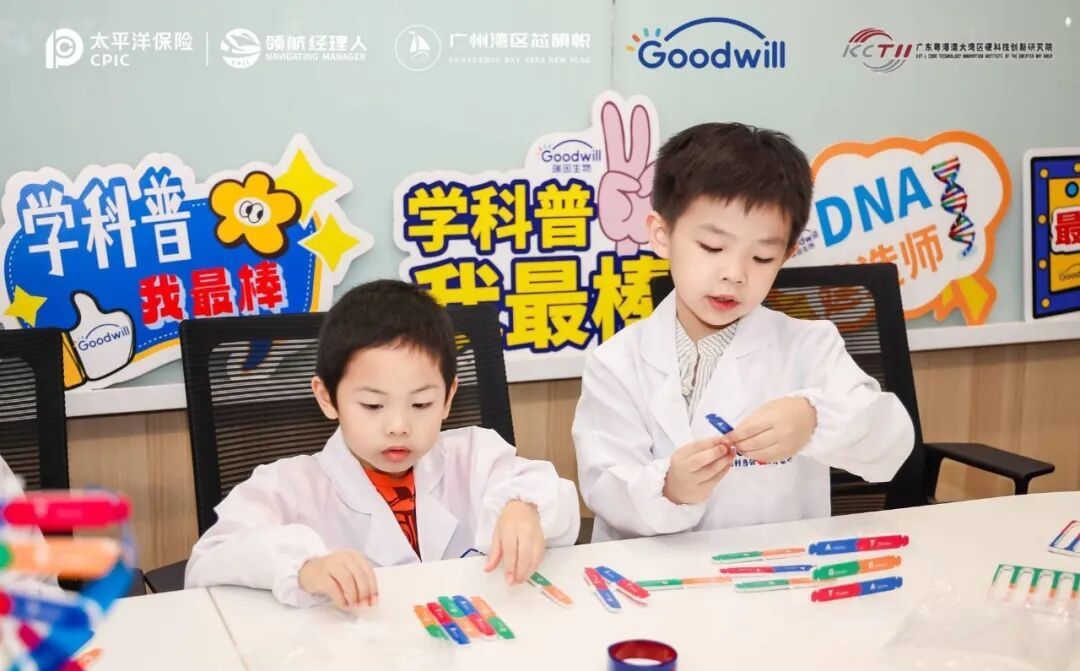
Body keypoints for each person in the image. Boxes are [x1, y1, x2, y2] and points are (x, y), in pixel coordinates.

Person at [573, 122, 914, 542]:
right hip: (653, 573)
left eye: (762, 257)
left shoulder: (809, 346)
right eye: (712, 248)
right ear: (662, 235)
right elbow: (605, 485)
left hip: (777, 566)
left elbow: (890, 443)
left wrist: (815, 418)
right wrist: (670, 489)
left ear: (786, 254)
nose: (734, 274)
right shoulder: (616, 362)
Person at [186, 280, 580, 609]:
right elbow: (208, 564)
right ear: (327, 397)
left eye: (421, 404)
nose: (398, 427)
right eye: (373, 406)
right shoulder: (287, 487)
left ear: (448, 398)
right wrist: (304, 568)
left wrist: (524, 508)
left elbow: (553, 496)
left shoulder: (475, 456)